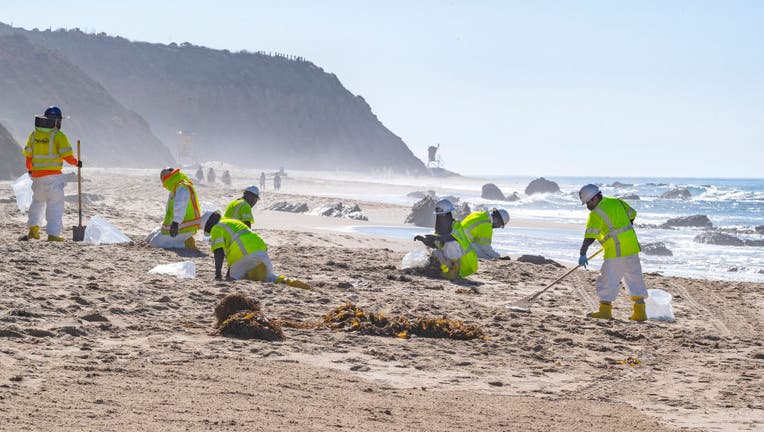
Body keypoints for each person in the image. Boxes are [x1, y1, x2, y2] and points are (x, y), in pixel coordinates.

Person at [577, 184, 648, 321]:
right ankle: (640, 313)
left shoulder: (596, 213)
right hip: (632, 246)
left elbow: (590, 236)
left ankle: (605, 311)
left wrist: (582, 253)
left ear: (594, 198)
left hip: (616, 251)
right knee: (635, 278)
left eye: (587, 203)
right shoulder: (617, 201)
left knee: (608, 279)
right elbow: (632, 214)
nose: (587, 206)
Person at [203, 211, 309, 288]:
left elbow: (219, 253)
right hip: (260, 250)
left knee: (232, 280)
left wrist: (218, 276)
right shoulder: (231, 222)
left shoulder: (216, 228)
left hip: (243, 253)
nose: (209, 232)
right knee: (270, 278)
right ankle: (294, 283)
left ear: (208, 224)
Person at [22, 106, 82, 242]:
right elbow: (67, 155)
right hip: (53, 177)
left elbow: (28, 156)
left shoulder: (34, 135)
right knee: (55, 206)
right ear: (56, 122)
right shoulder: (58, 136)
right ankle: (53, 234)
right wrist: (76, 163)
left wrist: (31, 170)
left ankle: (33, 230)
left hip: (37, 176)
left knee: (37, 202)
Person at [414, 199, 478, 280]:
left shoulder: (456, 225)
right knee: (434, 251)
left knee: (451, 243)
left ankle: (454, 272)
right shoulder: (440, 230)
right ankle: (443, 270)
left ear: (448, 214)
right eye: (439, 215)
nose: (441, 217)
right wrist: (424, 240)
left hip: (466, 264)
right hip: (450, 260)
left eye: (443, 215)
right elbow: (437, 245)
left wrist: (435, 237)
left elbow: (451, 238)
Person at [145, 168, 201, 249]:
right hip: (178, 225)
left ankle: (185, 243)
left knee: (155, 243)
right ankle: (181, 240)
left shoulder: (182, 187)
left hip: (185, 226)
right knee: (148, 239)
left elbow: (180, 206)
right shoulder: (176, 188)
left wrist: (175, 223)